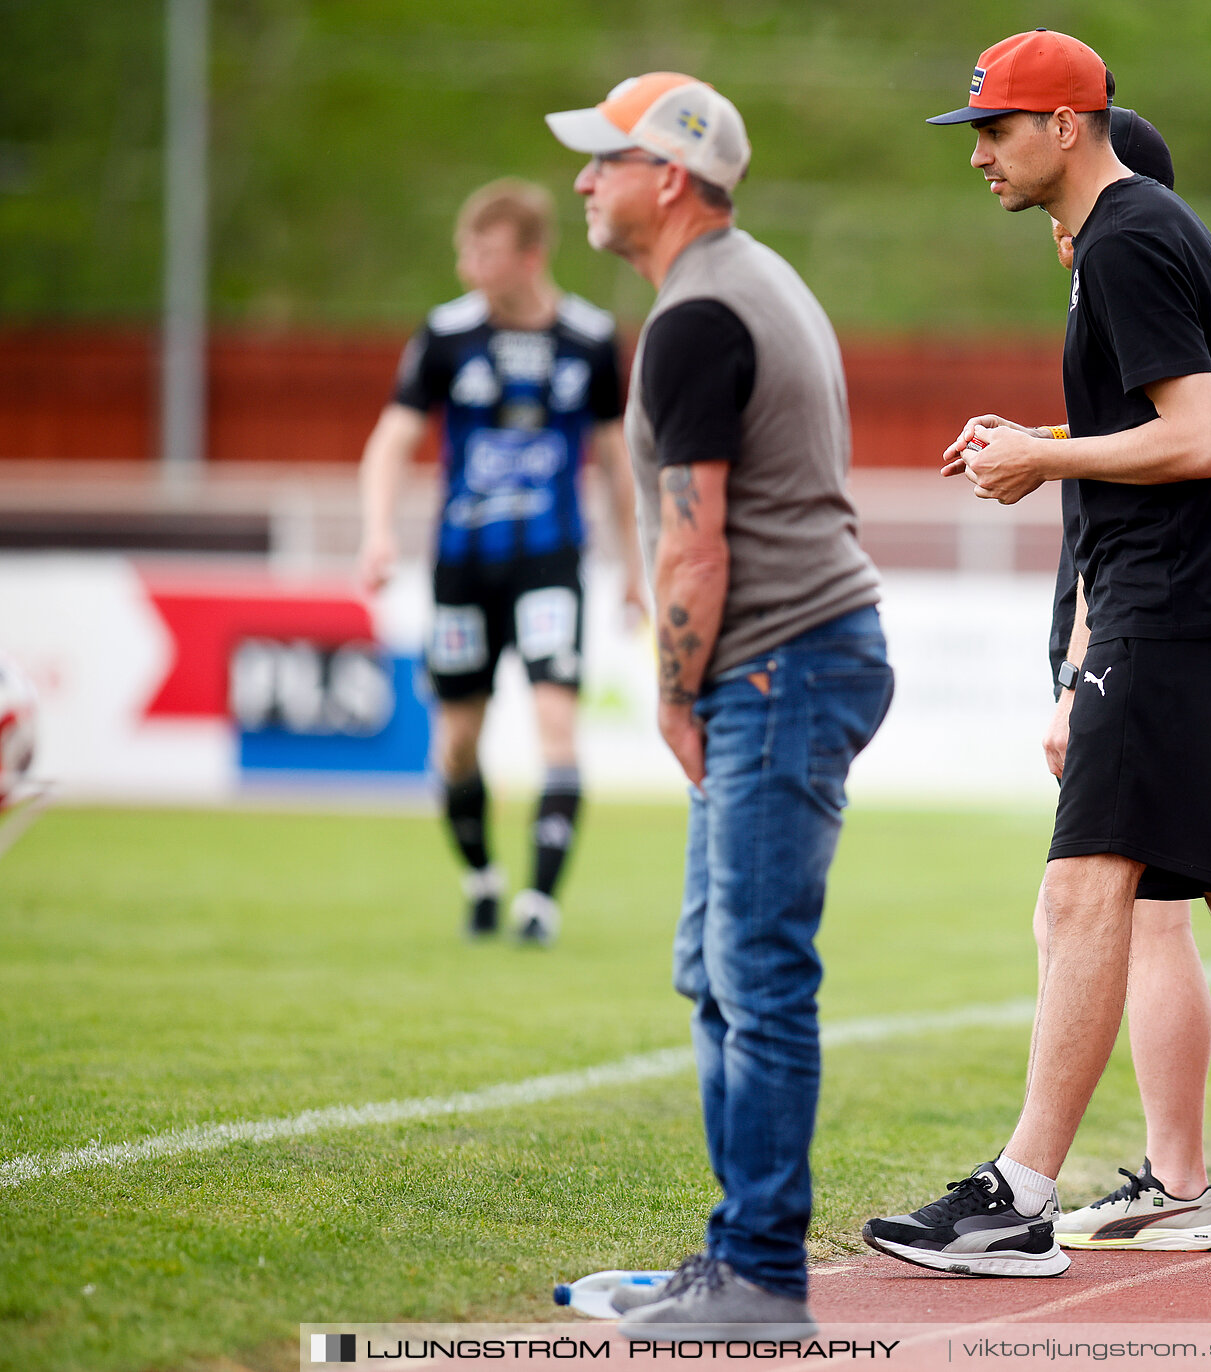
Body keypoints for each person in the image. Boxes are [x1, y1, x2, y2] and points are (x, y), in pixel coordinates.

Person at [862, 29, 1211, 1279]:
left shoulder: (1122, 240)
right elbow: (1163, 423)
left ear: (1066, 125)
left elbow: (1201, 437)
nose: (980, 152)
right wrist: (1041, 433)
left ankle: (1017, 1198)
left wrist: (1044, 458)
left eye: (994, 128)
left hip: (1170, 617)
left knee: (1081, 894)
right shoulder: (1140, 231)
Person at [546, 73, 892, 1335]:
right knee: (718, 968)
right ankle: (733, 1260)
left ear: (671, 178)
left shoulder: (700, 316)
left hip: (775, 661)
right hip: (792, 656)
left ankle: (757, 1279)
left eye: (606, 161)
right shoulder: (738, 283)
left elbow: (696, 548)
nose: (585, 182)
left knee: (754, 971)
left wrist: (676, 692)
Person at [1035, 107, 1211, 1254]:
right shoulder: (1131, 274)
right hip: (1149, 625)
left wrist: (1075, 673)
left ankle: (1149, 1177)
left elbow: (1176, 470)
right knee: (1144, 910)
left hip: (1146, 632)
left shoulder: (1126, 255)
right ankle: (1178, 1178)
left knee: (1120, 910)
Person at [357, 178, 641, 944]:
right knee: (455, 739)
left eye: (482, 252)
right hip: (461, 563)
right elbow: (391, 440)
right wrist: (378, 531)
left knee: (556, 724)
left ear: (530, 256)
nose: (466, 267)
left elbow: (618, 463)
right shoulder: (447, 335)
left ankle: (540, 904)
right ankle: (482, 878)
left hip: (550, 559)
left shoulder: (587, 337)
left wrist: (635, 570)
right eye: (464, 250)